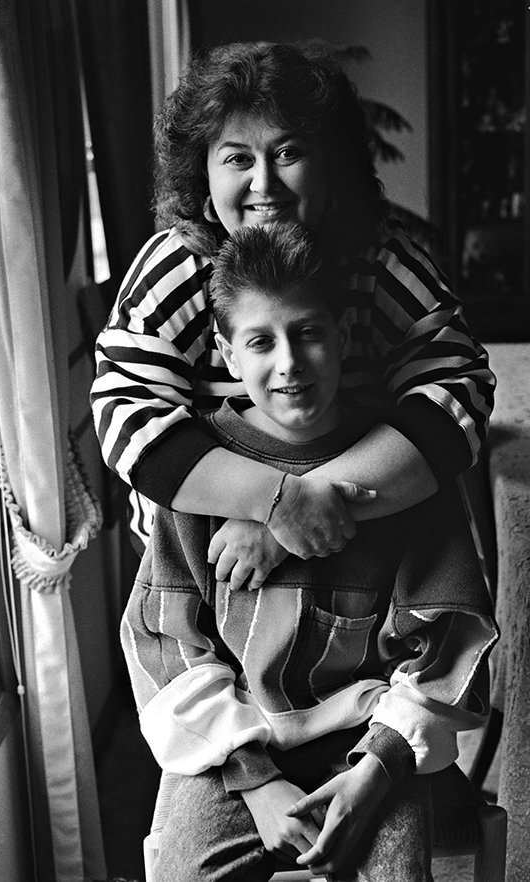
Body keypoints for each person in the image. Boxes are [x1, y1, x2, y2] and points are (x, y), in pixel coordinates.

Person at [123, 223, 498, 882]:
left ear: (344, 336)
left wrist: (377, 769)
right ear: (227, 354)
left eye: (309, 333)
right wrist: (257, 780)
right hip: (235, 743)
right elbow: (167, 646)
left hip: (370, 743)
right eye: (261, 342)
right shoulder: (198, 476)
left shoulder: (404, 469)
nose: (290, 363)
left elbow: (446, 643)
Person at [90, 40, 495, 589]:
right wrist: (274, 502)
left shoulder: (379, 259)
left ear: (330, 164)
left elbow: (457, 397)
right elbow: (128, 417)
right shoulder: (174, 267)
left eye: (288, 153)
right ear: (203, 176)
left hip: (365, 560)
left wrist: (297, 514)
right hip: (208, 572)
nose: (264, 184)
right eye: (238, 158)